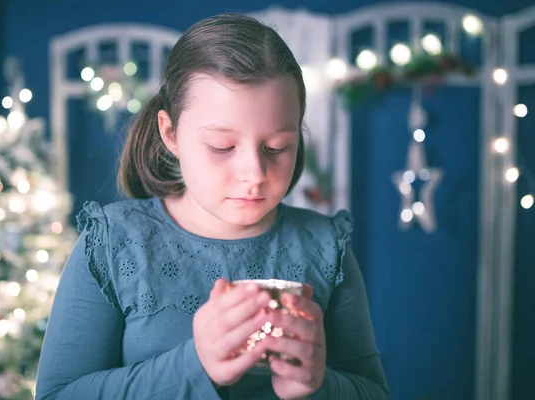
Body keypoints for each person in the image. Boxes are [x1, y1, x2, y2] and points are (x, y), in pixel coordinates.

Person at [35, 12, 389, 400]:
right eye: (222, 147)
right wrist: (195, 365)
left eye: (277, 147)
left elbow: (371, 391)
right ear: (170, 134)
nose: (254, 173)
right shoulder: (112, 244)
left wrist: (317, 386)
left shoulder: (325, 247)